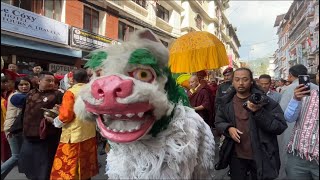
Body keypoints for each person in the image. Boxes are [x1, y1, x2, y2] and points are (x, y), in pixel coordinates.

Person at [215, 68, 287, 180]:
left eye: (245, 79)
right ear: (232, 82)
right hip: (236, 156)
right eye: (237, 79)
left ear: (252, 81)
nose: (241, 83)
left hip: (262, 156)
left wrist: (259, 112)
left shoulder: (266, 102)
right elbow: (219, 122)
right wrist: (228, 128)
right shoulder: (226, 103)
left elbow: (280, 126)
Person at [48, 69, 98, 179]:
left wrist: (55, 121)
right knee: (85, 165)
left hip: (74, 134)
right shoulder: (92, 91)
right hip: (89, 132)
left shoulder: (70, 92)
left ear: (72, 79)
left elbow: (66, 116)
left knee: (69, 168)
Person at [18, 71, 63, 180]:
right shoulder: (31, 93)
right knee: (29, 165)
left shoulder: (58, 94)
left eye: (53, 81)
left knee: (45, 167)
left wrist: (58, 112)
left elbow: (65, 113)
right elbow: (23, 113)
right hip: (28, 136)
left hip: (46, 137)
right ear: (39, 81)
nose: (52, 83)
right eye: (48, 80)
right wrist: (16, 129)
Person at [277, 64, 318, 179]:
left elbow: (281, 113)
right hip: (301, 146)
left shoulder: (288, 89)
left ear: (290, 75)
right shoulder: (314, 88)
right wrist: (295, 100)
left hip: (296, 142)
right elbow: (288, 116)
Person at [1, 77, 32, 179]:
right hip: (12, 129)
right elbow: (27, 99)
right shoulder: (16, 96)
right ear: (17, 86)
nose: (24, 86)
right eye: (21, 85)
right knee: (16, 156)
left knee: (20, 155)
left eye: (26, 84)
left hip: (18, 129)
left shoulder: (24, 95)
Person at [1, 76, 11, 163]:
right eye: (4, 82)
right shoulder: (3, 99)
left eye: (7, 82)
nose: (7, 84)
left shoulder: (7, 94)